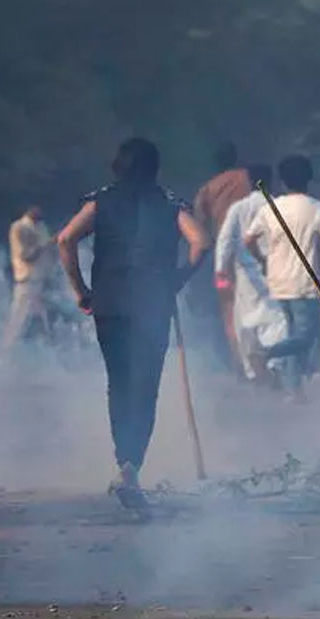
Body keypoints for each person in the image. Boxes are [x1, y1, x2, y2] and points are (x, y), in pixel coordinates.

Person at [56, 138, 210, 509]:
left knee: (119, 383)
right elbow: (201, 242)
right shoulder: (170, 203)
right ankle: (131, 465)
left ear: (116, 166)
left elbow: (65, 238)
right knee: (145, 387)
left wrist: (81, 290)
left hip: (109, 302)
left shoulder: (100, 200)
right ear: (155, 168)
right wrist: (178, 280)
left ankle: (125, 465)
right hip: (152, 304)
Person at [245, 155, 320, 395]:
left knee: (294, 334)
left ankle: (294, 389)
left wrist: (263, 260)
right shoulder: (316, 207)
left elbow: (248, 239)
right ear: (308, 178)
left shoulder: (271, 207)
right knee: (305, 337)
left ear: (282, 180)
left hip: (277, 280)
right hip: (304, 282)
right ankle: (265, 353)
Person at [214, 165, 286, 383]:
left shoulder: (239, 208)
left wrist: (220, 270)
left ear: (248, 181)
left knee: (245, 322)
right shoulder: (277, 206)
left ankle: (253, 370)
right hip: (276, 270)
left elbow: (225, 240)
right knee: (277, 320)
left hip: (246, 274)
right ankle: (274, 365)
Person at [193, 142, 252, 371]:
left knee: (229, 310)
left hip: (223, 258)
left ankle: (239, 362)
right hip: (256, 253)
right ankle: (258, 363)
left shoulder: (207, 189)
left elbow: (200, 228)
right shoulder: (248, 179)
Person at [0, 206, 54, 355]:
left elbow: (48, 256)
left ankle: (50, 358)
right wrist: (45, 245)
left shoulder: (42, 227)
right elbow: (25, 255)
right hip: (26, 283)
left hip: (41, 282)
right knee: (16, 324)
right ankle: (3, 357)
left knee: (45, 324)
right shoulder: (19, 228)